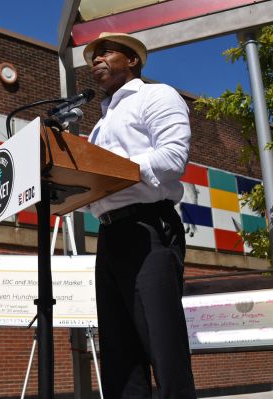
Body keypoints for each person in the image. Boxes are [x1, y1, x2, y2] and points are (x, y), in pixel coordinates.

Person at [83, 32, 197, 398]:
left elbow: (172, 159)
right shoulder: (100, 122)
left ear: (133, 60)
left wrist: (112, 170)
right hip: (110, 233)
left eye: (105, 52)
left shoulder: (157, 95)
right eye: (92, 57)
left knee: (162, 346)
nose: (96, 60)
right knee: (119, 353)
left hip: (149, 228)